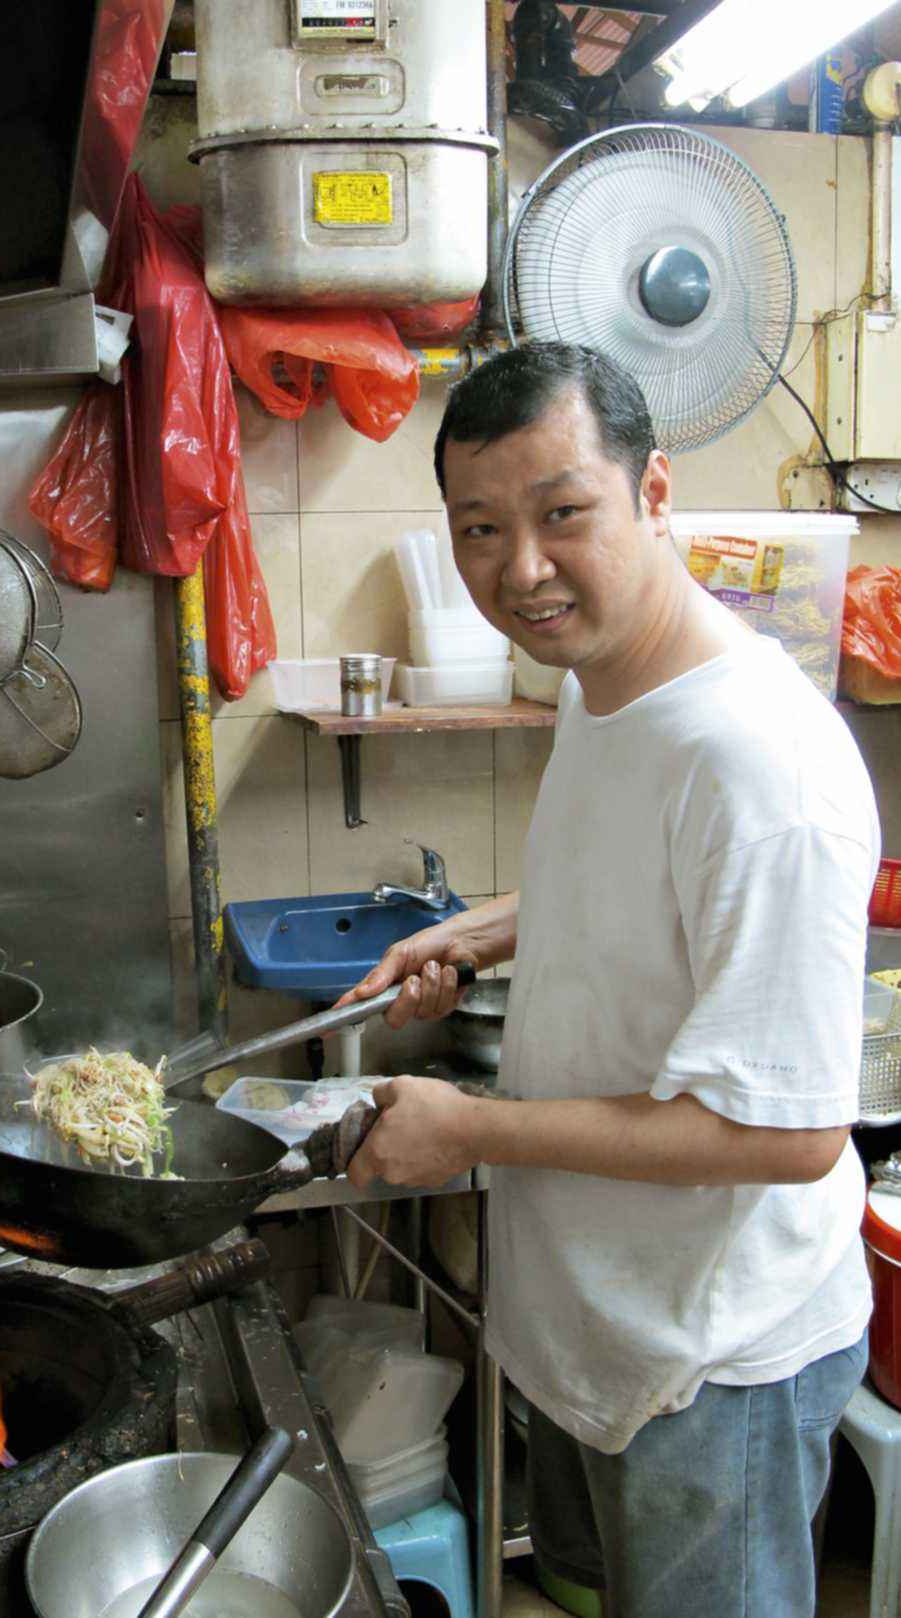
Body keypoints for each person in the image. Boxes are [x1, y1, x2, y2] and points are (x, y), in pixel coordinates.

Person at [338, 343, 877, 1618]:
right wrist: (490, 927)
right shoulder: (603, 683)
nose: (520, 569)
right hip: (596, 1316)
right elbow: (651, 889)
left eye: (562, 513)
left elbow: (791, 1132)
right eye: (480, 528)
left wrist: (469, 1130)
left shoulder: (763, 771)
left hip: (711, 1360)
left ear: (655, 491)